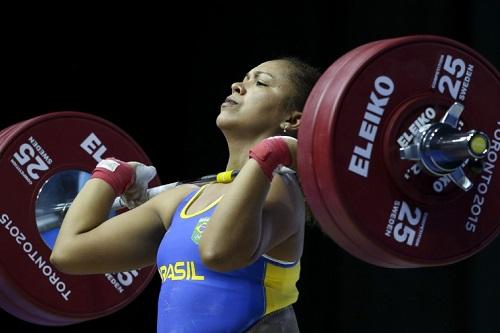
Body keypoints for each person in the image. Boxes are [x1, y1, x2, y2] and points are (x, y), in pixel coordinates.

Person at [50, 57, 322, 332]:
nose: (238, 86)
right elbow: (69, 252)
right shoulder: (182, 200)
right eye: (245, 78)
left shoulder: (282, 190)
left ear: (292, 119)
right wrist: (111, 174)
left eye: (260, 82)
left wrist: (268, 157)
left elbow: (217, 252)